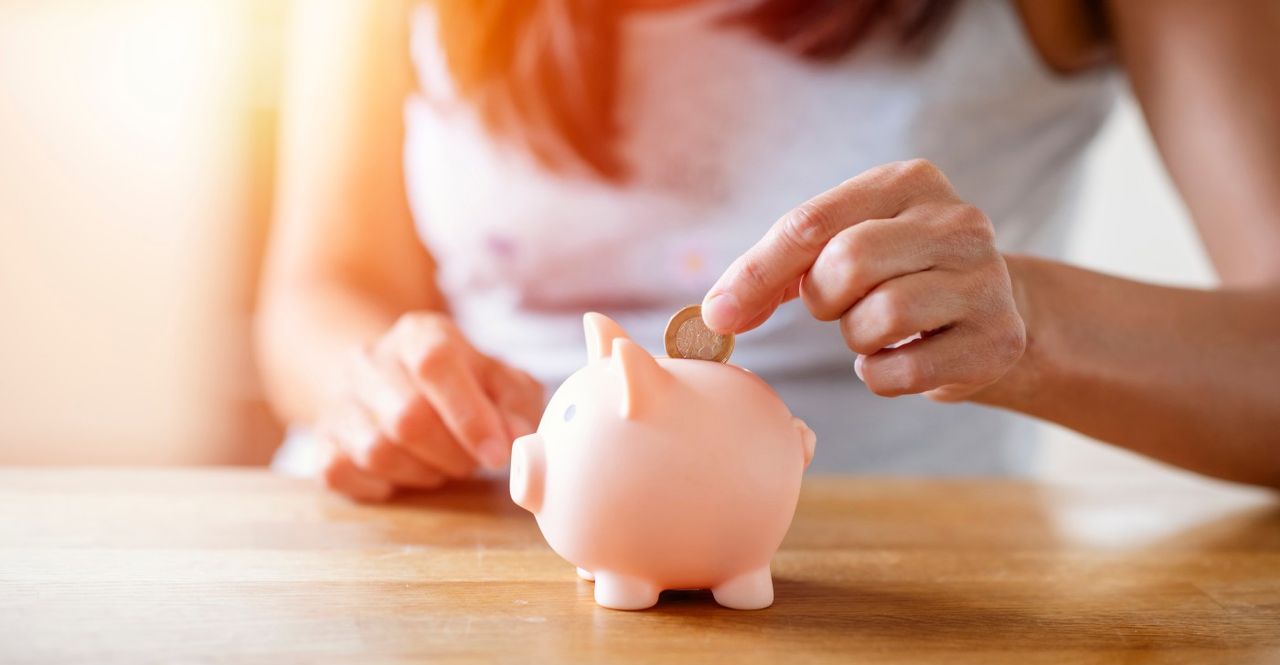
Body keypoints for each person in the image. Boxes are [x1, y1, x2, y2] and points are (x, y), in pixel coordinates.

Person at [257, 0, 1280, 502]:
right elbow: (320, 291)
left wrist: (1033, 326)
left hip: (893, 595)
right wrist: (378, 385)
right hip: (448, 549)